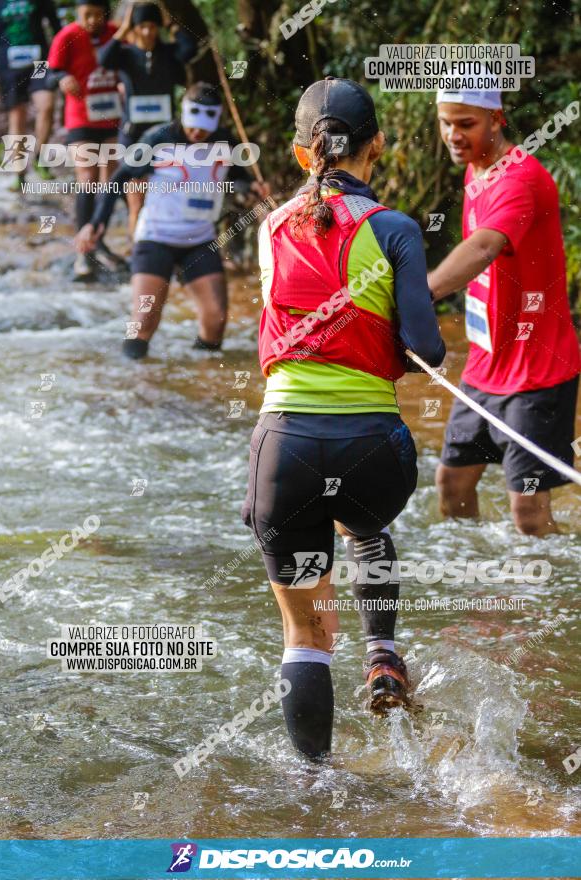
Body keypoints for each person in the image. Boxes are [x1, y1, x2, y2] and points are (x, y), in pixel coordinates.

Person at [241, 77, 446, 760]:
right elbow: (425, 349)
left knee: (304, 636)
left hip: (283, 452)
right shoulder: (393, 229)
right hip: (373, 455)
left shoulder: (270, 230)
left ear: (303, 155)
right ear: (377, 144)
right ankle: (383, 651)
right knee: (363, 519)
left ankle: (313, 788)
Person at [428, 84, 581, 537]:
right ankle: (478, 588)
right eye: (445, 123)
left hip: (537, 370)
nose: (453, 135)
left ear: (498, 119)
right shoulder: (477, 169)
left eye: (466, 124)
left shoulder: (519, 178)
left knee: (528, 513)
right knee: (451, 486)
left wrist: (420, 293)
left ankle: (550, 598)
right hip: (485, 364)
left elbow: (483, 246)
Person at [75, 82, 268, 357]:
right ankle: (130, 379)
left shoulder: (227, 143)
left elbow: (239, 180)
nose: (197, 132)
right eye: (193, 125)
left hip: (200, 240)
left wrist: (252, 189)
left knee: (216, 320)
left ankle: (203, 379)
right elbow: (119, 178)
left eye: (204, 127)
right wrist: (95, 224)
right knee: (143, 322)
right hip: (156, 238)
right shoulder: (158, 138)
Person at [98, 1, 195, 237]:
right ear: (134, 28)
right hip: (133, 136)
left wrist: (170, 23)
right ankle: (138, 256)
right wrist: (123, 30)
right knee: (137, 200)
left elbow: (189, 49)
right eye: (142, 26)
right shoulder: (125, 55)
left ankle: (169, 251)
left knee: (169, 197)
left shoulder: (168, 53)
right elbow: (104, 59)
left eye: (152, 26)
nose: (147, 32)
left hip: (166, 136)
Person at [48, 0, 123, 280]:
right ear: (77, 14)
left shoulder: (115, 32)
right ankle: (83, 251)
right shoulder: (66, 36)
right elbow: (50, 72)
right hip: (80, 118)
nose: (92, 20)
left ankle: (99, 240)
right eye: (86, 15)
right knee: (86, 177)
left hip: (112, 117)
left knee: (109, 180)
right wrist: (62, 78)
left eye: (97, 15)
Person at [0, 0, 61, 189]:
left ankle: (40, 158)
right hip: (10, 65)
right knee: (17, 117)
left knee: (47, 105)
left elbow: (57, 27)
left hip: (39, 62)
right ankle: (19, 173)